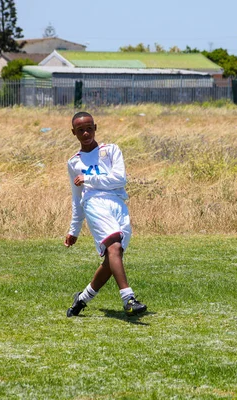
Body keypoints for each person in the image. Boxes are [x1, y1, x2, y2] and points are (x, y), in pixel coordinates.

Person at [64, 111, 147, 317]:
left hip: (118, 204)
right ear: (73, 133)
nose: (86, 133)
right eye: (80, 130)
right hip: (95, 205)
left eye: (89, 128)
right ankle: (128, 299)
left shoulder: (111, 150)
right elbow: (77, 198)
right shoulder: (74, 162)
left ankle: (82, 299)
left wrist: (89, 179)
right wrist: (74, 229)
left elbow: (119, 179)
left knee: (112, 260)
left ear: (96, 128)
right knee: (115, 247)